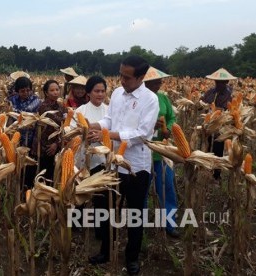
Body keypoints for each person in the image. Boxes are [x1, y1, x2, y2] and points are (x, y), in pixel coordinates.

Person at [88, 55, 159, 275]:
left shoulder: (150, 99)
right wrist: (91, 125)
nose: (121, 80)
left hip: (136, 166)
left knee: (134, 214)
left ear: (140, 77)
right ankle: (106, 251)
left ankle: (132, 258)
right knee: (109, 210)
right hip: (113, 164)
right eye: (120, 74)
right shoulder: (118, 94)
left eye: (126, 77)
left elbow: (142, 133)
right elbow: (109, 119)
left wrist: (108, 133)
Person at [143, 66, 179, 238]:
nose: (159, 84)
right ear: (146, 82)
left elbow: (171, 117)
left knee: (166, 187)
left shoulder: (163, 98)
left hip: (162, 151)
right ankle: (140, 224)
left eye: (160, 81)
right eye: (156, 82)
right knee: (142, 190)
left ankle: (169, 223)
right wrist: (151, 126)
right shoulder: (139, 99)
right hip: (143, 152)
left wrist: (168, 129)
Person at [72, 76, 109, 238]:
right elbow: (70, 134)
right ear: (88, 92)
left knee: (101, 196)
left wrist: (101, 137)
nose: (100, 94)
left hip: (103, 160)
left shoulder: (109, 111)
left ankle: (100, 229)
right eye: (96, 91)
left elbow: (113, 133)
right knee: (80, 192)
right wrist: (83, 136)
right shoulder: (80, 111)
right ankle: (76, 224)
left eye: (102, 91)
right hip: (82, 159)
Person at [200, 68, 237, 181]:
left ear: (226, 82)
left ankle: (216, 174)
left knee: (218, 148)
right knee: (205, 145)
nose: (218, 84)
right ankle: (205, 170)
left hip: (221, 126)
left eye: (221, 82)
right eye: (217, 82)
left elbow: (233, 110)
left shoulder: (230, 94)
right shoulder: (210, 92)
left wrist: (218, 110)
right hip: (208, 124)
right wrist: (202, 104)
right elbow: (201, 105)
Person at [31, 80, 65, 180]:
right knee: (41, 175)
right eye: (52, 90)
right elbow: (39, 130)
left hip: (55, 146)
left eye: (57, 89)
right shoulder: (41, 107)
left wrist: (57, 144)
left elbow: (64, 127)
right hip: (41, 148)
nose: (55, 92)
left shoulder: (62, 107)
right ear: (46, 93)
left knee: (51, 176)